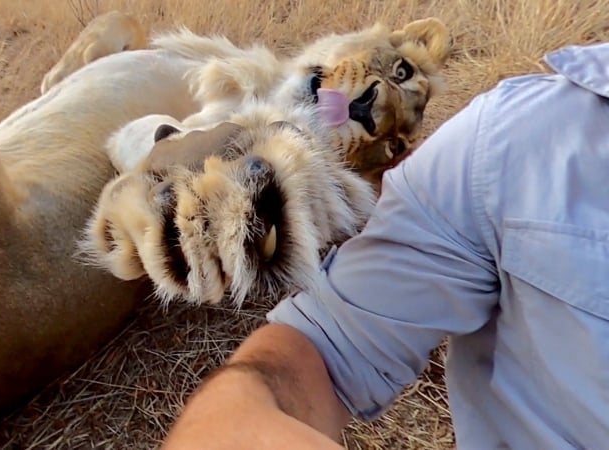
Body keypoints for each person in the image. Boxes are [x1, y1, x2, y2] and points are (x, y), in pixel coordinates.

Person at [160, 42, 609, 450]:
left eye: (395, 143)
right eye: (400, 72)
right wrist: (236, 415)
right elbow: (333, 345)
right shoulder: (514, 142)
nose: (378, 111)